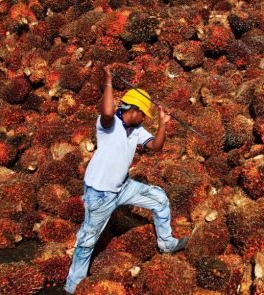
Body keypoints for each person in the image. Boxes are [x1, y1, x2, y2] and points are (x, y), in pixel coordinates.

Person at [64, 66, 188, 294]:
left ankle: (167, 244)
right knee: (88, 239)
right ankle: (73, 286)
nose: (144, 119)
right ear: (135, 110)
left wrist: (162, 123)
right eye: (144, 114)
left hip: (122, 186)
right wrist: (109, 81)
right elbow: (108, 112)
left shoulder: (137, 129)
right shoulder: (108, 125)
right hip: (99, 194)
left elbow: (156, 147)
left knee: (159, 198)